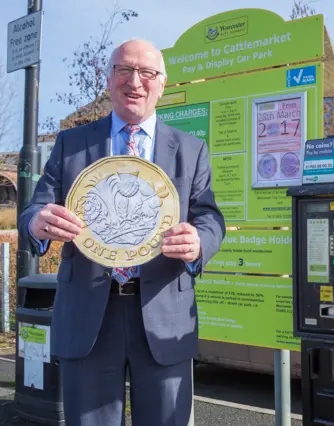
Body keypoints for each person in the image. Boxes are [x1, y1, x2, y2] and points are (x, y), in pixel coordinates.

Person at [18, 39, 226, 425]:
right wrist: (35, 221)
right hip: (89, 317)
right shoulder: (71, 143)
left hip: (164, 318)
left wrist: (199, 242)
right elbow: (34, 207)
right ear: (109, 79)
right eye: (125, 70)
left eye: (147, 73)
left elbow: (211, 217)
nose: (136, 81)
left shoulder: (191, 149)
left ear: (162, 84)